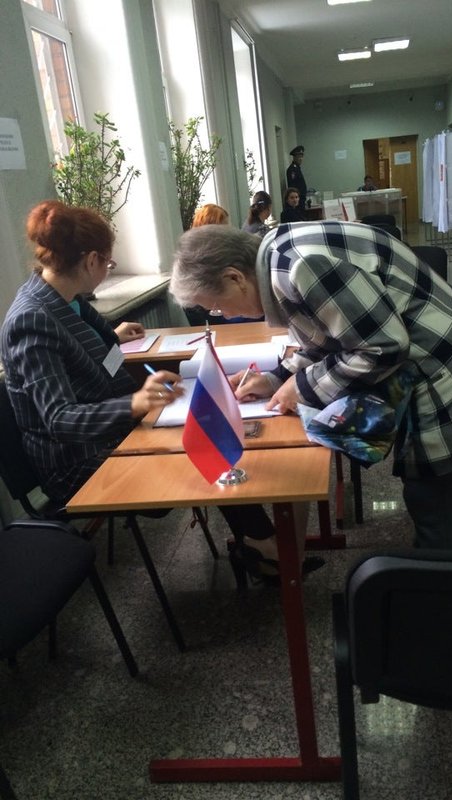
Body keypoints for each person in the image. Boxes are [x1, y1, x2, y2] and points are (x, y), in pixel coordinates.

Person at [0, 200, 314, 585]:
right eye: (109, 263)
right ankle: (265, 547)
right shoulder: (31, 320)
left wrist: (112, 340)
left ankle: (258, 543)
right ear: (92, 260)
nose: (107, 269)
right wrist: (135, 403)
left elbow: (89, 351)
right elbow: (58, 420)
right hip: (75, 460)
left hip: (108, 430)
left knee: (206, 433)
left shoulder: (68, 299)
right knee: (198, 448)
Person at [169, 221, 452, 551]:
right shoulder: (279, 251)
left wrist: (301, 387)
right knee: (432, 497)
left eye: (216, 307)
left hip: (449, 369)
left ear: (234, 277)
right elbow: (328, 334)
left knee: (436, 509)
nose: (225, 316)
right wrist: (276, 377)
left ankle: (446, 586)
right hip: (445, 354)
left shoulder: (300, 267)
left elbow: (383, 347)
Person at [286, 145, 307, 210]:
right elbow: (292, 187)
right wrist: (296, 199)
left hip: (300, 200)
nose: (300, 159)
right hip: (296, 201)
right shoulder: (292, 169)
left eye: (301, 156)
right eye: (299, 156)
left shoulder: (297, 168)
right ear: (294, 157)